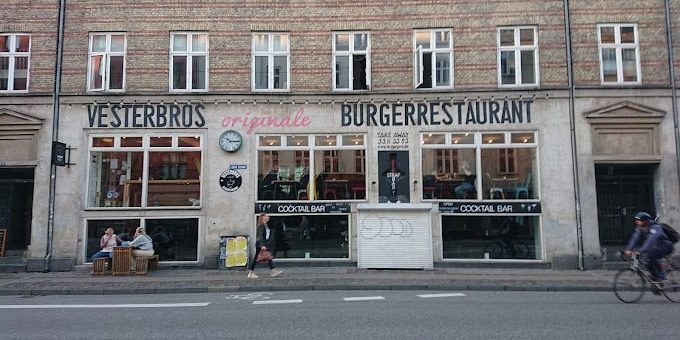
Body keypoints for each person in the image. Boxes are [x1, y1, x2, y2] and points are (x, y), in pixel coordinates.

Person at [624, 212, 675, 282]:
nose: (637, 222)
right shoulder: (640, 227)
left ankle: (661, 274)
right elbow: (635, 238)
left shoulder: (656, 227)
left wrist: (640, 250)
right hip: (656, 247)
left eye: (639, 221)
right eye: (636, 221)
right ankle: (656, 278)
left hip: (666, 246)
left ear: (645, 221)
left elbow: (650, 240)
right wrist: (628, 249)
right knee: (647, 262)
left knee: (652, 256)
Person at [247, 213, 282, 279]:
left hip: (263, 243)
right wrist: (262, 245)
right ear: (263, 217)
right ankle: (251, 272)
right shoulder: (261, 225)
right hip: (260, 244)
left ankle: (273, 271)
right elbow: (261, 235)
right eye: (267, 216)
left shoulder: (265, 225)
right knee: (256, 258)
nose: (268, 217)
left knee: (268, 257)